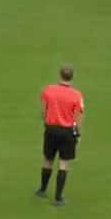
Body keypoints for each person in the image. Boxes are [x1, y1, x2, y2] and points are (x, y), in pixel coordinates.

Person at [37, 64, 83, 205]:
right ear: (72, 77)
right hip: (67, 131)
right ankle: (58, 198)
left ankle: (42, 189)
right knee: (63, 163)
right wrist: (77, 132)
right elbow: (78, 116)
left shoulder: (49, 89)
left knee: (47, 159)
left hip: (51, 129)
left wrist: (47, 122)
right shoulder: (76, 95)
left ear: (60, 75)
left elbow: (43, 109)